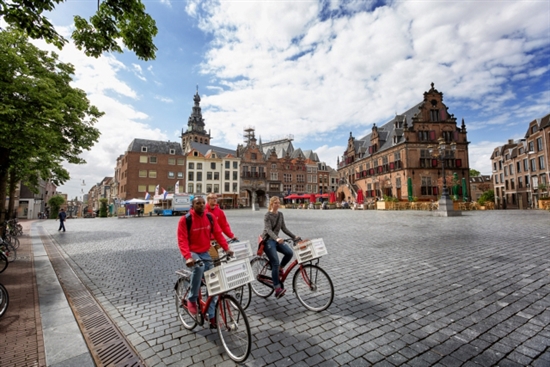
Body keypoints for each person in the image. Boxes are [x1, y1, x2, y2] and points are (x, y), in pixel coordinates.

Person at [177, 196, 232, 327]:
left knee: (212, 282)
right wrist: (188, 256)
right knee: (199, 267)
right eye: (198, 203)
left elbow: (218, 233)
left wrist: (227, 248)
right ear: (192, 205)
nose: (201, 205)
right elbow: (182, 240)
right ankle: (192, 298)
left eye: (202, 203)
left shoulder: (209, 218)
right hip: (191, 252)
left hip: (205, 251)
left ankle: (212, 315)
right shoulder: (185, 220)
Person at [261, 196, 301, 299]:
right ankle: (277, 288)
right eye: (275, 203)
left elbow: (284, 228)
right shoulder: (267, 216)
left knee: (289, 253)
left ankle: (280, 269)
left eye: (278, 203)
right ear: (271, 204)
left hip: (276, 240)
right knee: (275, 262)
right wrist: (277, 238)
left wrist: (293, 236)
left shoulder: (280, 215)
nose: (277, 205)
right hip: (268, 240)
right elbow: (268, 230)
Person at [205, 194, 238, 261]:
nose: (214, 199)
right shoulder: (204, 211)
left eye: (215, 198)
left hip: (217, 239)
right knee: (214, 257)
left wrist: (231, 236)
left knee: (222, 259)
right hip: (207, 240)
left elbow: (224, 226)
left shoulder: (219, 212)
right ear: (208, 200)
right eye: (212, 198)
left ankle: (218, 271)